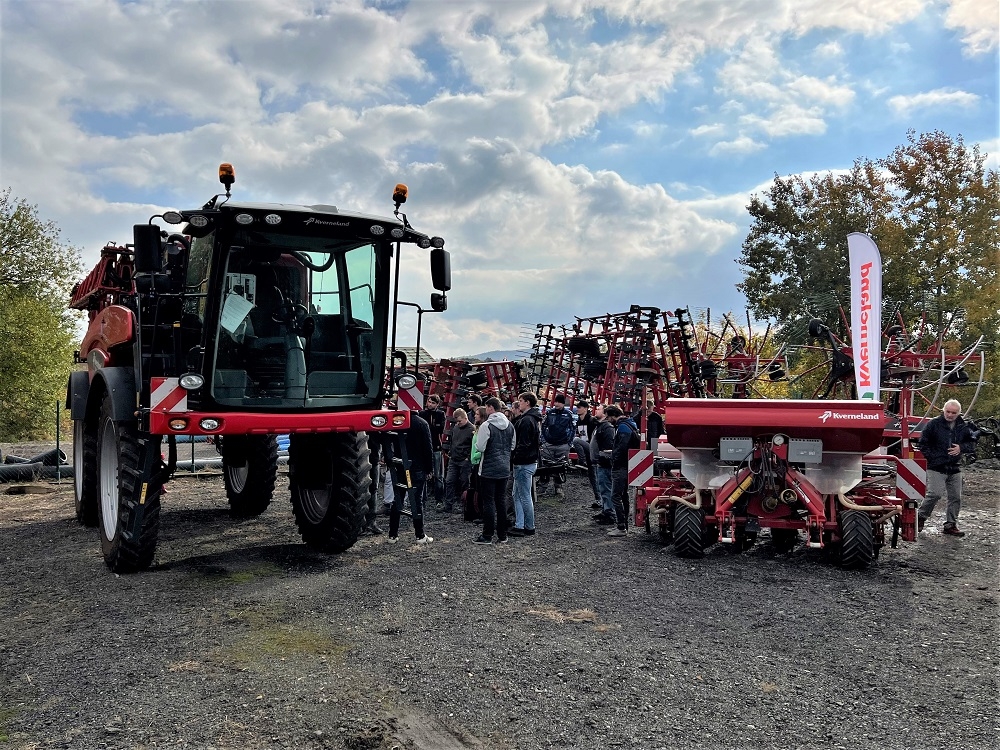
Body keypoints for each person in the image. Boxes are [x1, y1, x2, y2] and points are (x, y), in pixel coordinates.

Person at [917, 398, 976, 537]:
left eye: (953, 413)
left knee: (956, 497)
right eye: (948, 412)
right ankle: (921, 517)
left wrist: (961, 448)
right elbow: (923, 444)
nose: (950, 415)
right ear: (943, 410)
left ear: (959, 413)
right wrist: (933, 458)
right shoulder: (933, 424)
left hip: (954, 467)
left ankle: (950, 525)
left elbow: (972, 444)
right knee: (934, 494)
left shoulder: (965, 426)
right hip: (936, 466)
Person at [386, 411, 435, 545]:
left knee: (398, 499)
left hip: (400, 466)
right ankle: (420, 535)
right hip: (417, 467)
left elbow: (388, 442)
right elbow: (428, 448)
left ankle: (392, 534)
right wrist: (429, 469)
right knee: (417, 501)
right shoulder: (422, 423)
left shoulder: (397, 422)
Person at [473, 397, 514, 545]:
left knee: (489, 501)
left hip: (489, 468)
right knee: (501, 501)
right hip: (504, 467)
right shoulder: (510, 425)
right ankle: (502, 535)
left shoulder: (486, 426)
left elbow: (480, 447)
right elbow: (512, 445)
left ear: (490, 408)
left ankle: (487, 535)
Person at [510, 391, 542, 537]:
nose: (519, 403)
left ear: (527, 402)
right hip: (528, 461)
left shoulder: (526, 421)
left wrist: (515, 458)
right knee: (518, 494)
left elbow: (523, 444)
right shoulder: (533, 419)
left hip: (523, 462)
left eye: (521, 401)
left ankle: (528, 526)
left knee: (523, 495)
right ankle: (520, 524)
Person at [605, 404, 639, 537]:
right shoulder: (630, 424)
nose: (608, 420)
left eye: (608, 417)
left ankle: (621, 526)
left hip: (620, 466)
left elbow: (622, 446)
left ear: (613, 416)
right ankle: (624, 525)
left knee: (615, 496)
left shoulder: (622, 427)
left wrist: (613, 457)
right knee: (624, 495)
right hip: (628, 464)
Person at [537, 393, 574, 497]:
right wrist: (543, 440)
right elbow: (543, 426)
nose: (556, 404)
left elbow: (573, 428)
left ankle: (558, 487)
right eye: (555, 402)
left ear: (563, 403)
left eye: (559, 402)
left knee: (560, 466)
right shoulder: (550, 413)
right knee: (545, 465)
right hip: (549, 444)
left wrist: (569, 443)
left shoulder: (568, 414)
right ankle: (543, 486)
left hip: (563, 445)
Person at [444, 407, 474, 513]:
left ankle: (465, 506)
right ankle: (448, 505)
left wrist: (468, 458)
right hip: (454, 459)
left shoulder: (471, 429)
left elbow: (473, 446)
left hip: (464, 460)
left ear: (465, 418)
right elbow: (452, 441)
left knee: (465, 483)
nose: (458, 423)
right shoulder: (456, 428)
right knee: (449, 481)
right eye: (456, 421)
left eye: (459, 421)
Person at [590, 404, 616, 525]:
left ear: (605, 413)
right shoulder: (599, 426)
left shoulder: (607, 428)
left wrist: (603, 457)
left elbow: (609, 447)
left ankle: (610, 514)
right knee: (603, 488)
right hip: (600, 462)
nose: (596, 410)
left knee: (606, 489)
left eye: (599, 409)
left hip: (605, 463)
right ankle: (606, 510)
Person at [571, 399, 600, 508]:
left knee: (576, 440)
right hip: (586, 449)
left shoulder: (592, 421)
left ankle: (582, 461)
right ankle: (598, 499)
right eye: (577, 407)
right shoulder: (579, 421)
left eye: (580, 407)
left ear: (586, 408)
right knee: (592, 477)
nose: (578, 409)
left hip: (592, 448)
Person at [419, 393, 446, 508]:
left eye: (433, 403)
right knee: (423, 474)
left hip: (436, 447)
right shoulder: (422, 413)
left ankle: (439, 499)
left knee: (438, 475)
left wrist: (429, 428)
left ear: (437, 404)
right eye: (429, 402)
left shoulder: (440, 414)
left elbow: (440, 429)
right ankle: (422, 499)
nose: (430, 404)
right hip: (424, 448)